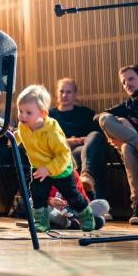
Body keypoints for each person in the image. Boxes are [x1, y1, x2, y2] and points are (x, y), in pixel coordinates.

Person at [15, 85, 94, 233]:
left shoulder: (52, 132)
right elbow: (21, 135)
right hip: (39, 168)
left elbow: (64, 155)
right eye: (20, 111)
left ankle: (87, 215)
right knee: (37, 194)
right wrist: (13, 138)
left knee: (72, 196)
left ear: (43, 114)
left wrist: (49, 169)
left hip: (60, 169)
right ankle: (41, 223)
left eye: (28, 112)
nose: (22, 116)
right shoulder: (24, 125)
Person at [97, 65, 138, 225]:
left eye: (131, 79)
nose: (127, 84)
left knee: (127, 145)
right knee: (108, 122)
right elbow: (99, 116)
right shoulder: (126, 107)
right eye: (124, 82)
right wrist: (120, 127)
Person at [50, 78, 109, 199]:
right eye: (61, 91)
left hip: (83, 150)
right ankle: (96, 200)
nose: (64, 95)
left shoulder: (86, 113)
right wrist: (66, 142)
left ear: (75, 94)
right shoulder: (49, 116)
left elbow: (98, 138)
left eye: (69, 92)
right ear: (57, 93)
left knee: (95, 138)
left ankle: (86, 175)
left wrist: (84, 139)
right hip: (60, 153)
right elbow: (43, 139)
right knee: (90, 157)